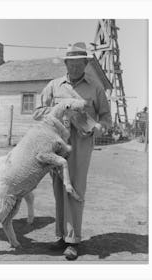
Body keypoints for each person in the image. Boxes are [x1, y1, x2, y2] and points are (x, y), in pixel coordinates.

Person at [33, 42, 112, 260]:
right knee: (58, 189)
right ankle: (61, 236)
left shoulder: (95, 88)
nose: (75, 67)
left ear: (86, 63)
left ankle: (73, 241)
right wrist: (62, 109)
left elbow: (107, 119)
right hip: (56, 143)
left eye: (80, 63)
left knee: (75, 190)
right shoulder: (53, 86)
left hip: (81, 146)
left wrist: (97, 127)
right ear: (66, 63)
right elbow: (37, 112)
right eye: (71, 63)